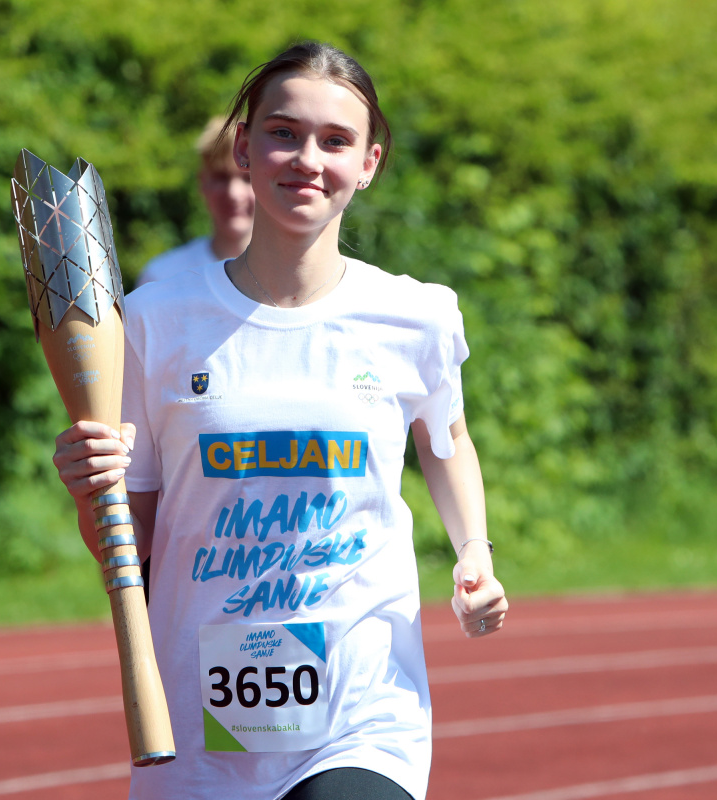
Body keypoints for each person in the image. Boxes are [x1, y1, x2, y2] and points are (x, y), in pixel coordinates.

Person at [53, 41, 508, 800]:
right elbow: (128, 547)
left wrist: (475, 553)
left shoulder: (416, 317)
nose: (308, 159)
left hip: (363, 711)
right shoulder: (153, 322)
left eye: (336, 141)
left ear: (369, 162)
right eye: (284, 133)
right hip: (197, 724)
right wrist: (87, 490)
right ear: (243, 147)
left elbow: (446, 438)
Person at [133, 116, 256, 287]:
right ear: (202, 182)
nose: (234, 193)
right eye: (221, 177)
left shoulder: (290, 276)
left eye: (247, 179)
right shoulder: (161, 278)